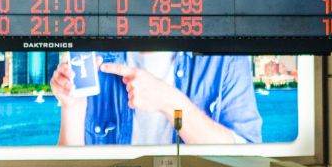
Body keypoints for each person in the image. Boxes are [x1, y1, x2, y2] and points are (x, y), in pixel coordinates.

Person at [51, 52, 263, 146]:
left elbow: (250, 161)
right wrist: (72, 108)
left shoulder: (224, 58)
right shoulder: (92, 57)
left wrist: (169, 102)